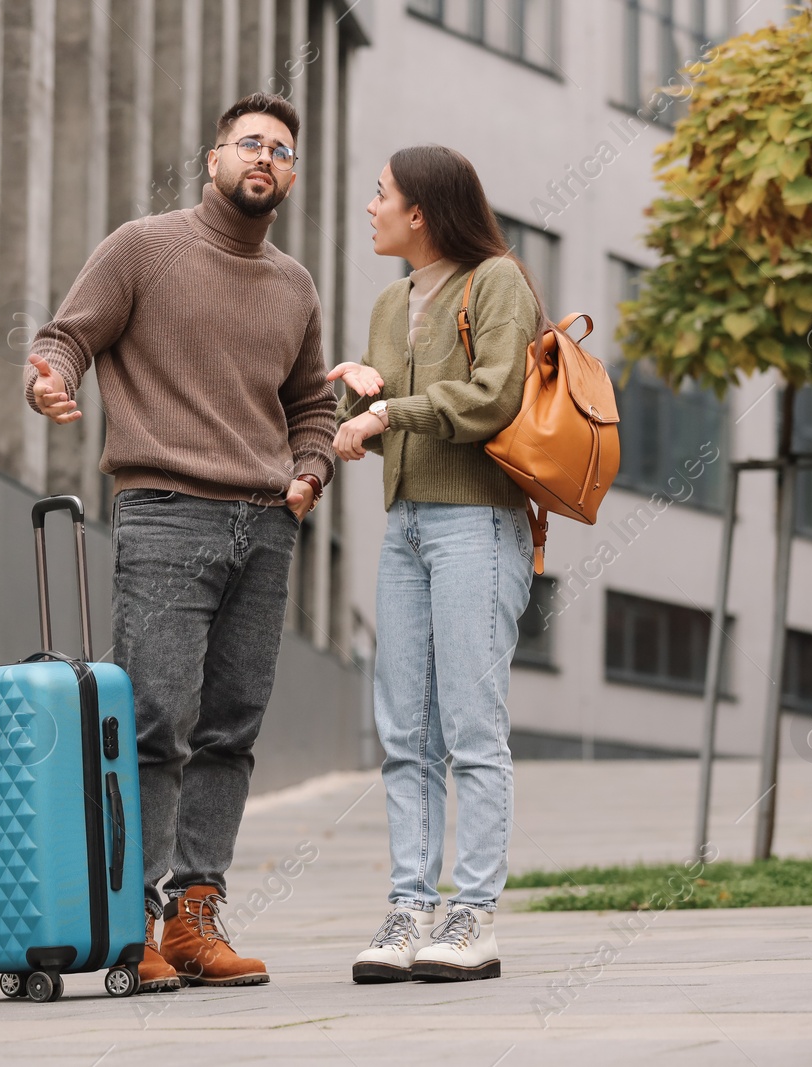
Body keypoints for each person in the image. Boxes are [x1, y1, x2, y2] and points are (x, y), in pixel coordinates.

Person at [24, 92, 336, 993]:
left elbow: (312, 402)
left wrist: (308, 472)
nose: (265, 159)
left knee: (231, 729)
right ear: (213, 160)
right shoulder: (143, 247)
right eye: (250, 144)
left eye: (281, 150)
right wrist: (50, 379)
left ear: (289, 175)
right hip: (165, 510)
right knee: (155, 722)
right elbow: (64, 337)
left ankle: (195, 911)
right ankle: (133, 919)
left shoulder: (295, 284)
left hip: (266, 525)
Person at [329, 145, 542, 983]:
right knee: (404, 728)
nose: (371, 206)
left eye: (381, 195)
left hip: (478, 523)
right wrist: (356, 396)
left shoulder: (497, 281)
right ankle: (409, 907)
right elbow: (390, 411)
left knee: (471, 726)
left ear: (420, 211)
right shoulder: (391, 302)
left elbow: (495, 395)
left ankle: (473, 915)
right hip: (407, 526)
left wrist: (385, 412)